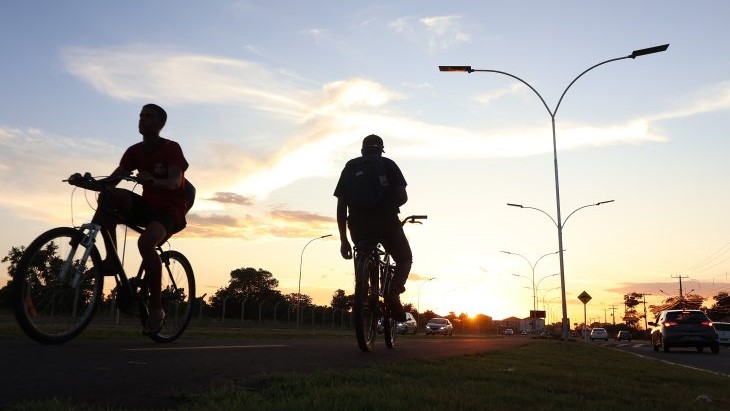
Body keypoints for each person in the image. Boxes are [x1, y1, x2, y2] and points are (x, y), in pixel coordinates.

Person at [68, 103, 190, 335]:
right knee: (109, 196)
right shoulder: (133, 151)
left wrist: (153, 181)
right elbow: (110, 182)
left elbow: (175, 181)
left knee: (145, 243)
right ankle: (111, 260)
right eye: (141, 116)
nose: (142, 120)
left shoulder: (171, 148)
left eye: (149, 117)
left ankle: (157, 308)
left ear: (161, 124)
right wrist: (85, 183)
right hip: (148, 206)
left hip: (171, 210)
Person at [334, 134, 412, 321]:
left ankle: (363, 289)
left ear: (362, 151)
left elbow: (341, 206)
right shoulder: (388, 165)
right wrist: (389, 206)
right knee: (404, 259)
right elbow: (403, 196)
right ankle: (393, 294)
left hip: (358, 227)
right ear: (381, 150)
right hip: (387, 223)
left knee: (363, 251)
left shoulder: (350, 167)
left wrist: (343, 240)